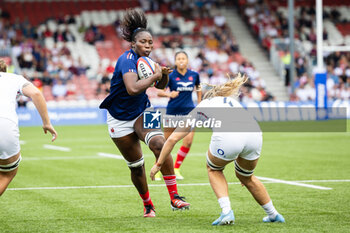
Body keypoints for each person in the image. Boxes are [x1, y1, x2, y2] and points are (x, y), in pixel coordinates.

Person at [150, 74, 285, 225]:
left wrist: (158, 164)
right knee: (247, 177)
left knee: (213, 169)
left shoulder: (202, 106)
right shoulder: (231, 101)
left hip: (230, 136)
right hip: (254, 134)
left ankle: (227, 212)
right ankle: (273, 214)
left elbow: (173, 139)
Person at [99, 9, 190, 218]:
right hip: (118, 118)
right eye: (143, 42)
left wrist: (163, 76)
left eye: (151, 42)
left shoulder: (151, 62)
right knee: (137, 167)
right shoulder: (126, 60)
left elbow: (161, 85)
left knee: (160, 144)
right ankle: (148, 205)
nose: (148, 46)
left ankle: (175, 197)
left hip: (144, 109)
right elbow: (132, 88)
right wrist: (156, 75)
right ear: (133, 44)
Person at [0, 59, 57, 196]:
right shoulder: (14, 78)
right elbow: (36, 93)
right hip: (4, 124)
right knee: (7, 174)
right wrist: (47, 123)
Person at [157, 51, 202, 180]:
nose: (181, 60)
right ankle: (158, 167)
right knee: (166, 143)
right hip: (172, 112)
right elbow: (159, 92)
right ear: (175, 61)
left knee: (188, 142)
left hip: (189, 112)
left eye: (183, 58)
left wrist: (199, 103)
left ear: (187, 60)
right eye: (178, 58)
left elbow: (198, 88)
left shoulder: (194, 75)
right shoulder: (170, 76)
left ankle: (176, 168)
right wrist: (169, 94)